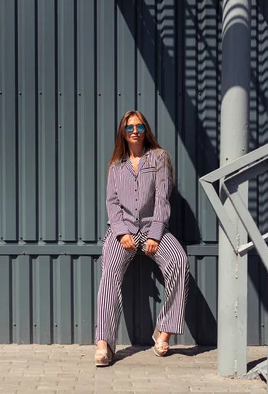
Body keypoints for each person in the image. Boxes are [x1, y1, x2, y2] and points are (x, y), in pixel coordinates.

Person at [94, 110, 190, 367]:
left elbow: (162, 198)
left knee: (179, 261)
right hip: (122, 231)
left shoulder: (159, 158)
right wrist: (122, 232)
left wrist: (156, 233)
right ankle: (104, 343)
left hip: (152, 228)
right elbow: (112, 204)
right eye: (129, 128)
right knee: (110, 273)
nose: (134, 131)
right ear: (122, 134)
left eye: (139, 127)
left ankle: (164, 332)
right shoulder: (116, 167)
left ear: (145, 130)